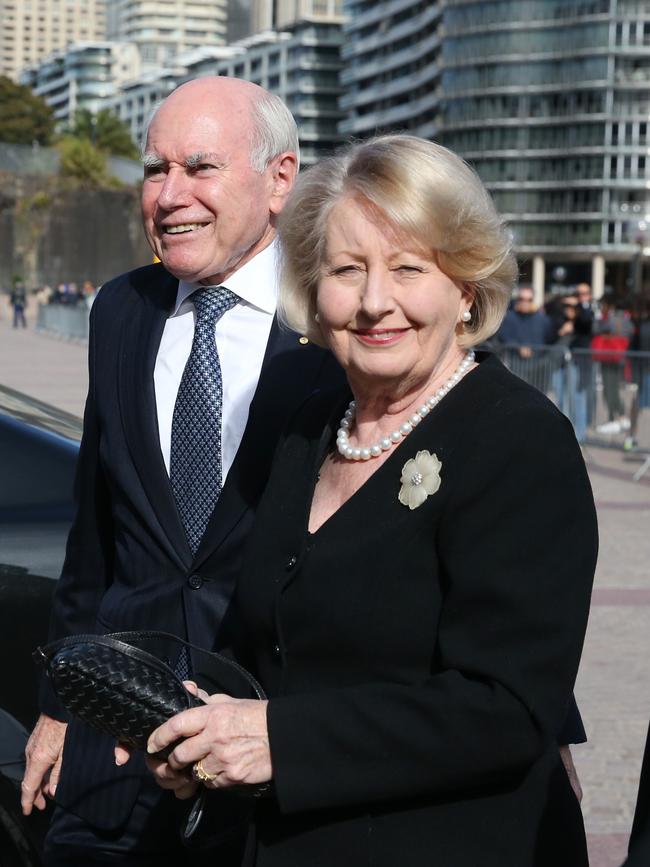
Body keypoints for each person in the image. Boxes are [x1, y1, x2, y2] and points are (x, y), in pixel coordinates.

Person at [144, 136, 598, 866]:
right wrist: (197, 730)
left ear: (466, 288)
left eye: (409, 268)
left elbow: (508, 709)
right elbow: (265, 638)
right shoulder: (308, 418)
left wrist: (279, 742)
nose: (375, 301)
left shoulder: (518, 441)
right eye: (347, 270)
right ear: (314, 294)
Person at [21, 77, 339, 866]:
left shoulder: (338, 320)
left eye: (199, 167)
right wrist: (62, 704)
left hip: (263, 757)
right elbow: (96, 533)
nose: (169, 195)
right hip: (114, 753)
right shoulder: (121, 309)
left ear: (279, 178)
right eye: (155, 170)